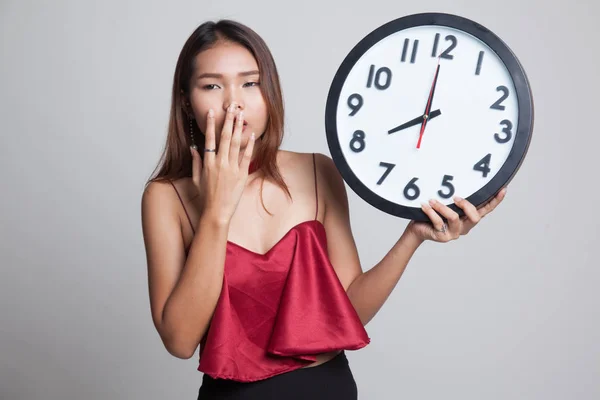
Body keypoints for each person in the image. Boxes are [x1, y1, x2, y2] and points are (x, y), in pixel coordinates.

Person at [141, 19, 507, 400]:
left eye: (250, 83)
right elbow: (180, 341)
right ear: (187, 100)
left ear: (269, 93)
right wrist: (217, 210)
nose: (234, 101)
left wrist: (413, 236)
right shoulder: (166, 197)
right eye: (212, 85)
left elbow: (348, 309)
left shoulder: (317, 170)